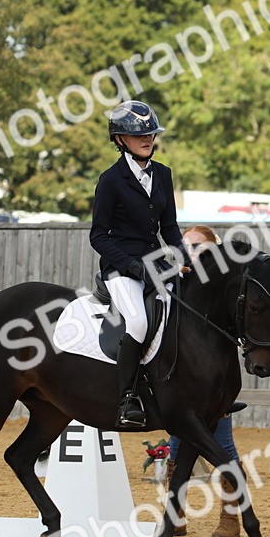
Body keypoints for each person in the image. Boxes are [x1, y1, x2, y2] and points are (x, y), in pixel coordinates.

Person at [89, 100, 186, 430]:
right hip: (121, 267)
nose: (148, 139)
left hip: (156, 263)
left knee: (188, 312)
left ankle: (193, 390)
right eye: (139, 134)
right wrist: (132, 266)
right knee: (138, 323)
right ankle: (127, 399)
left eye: (151, 133)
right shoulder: (110, 180)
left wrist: (183, 255)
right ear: (119, 140)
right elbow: (98, 236)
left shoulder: (163, 175)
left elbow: (169, 226)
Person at [168, 224, 245, 537]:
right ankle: (176, 514)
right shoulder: (177, 281)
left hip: (212, 384)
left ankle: (230, 516)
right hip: (180, 383)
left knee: (223, 445)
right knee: (176, 447)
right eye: (186, 245)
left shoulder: (223, 286)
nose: (191, 251)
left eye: (198, 246)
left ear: (215, 249)